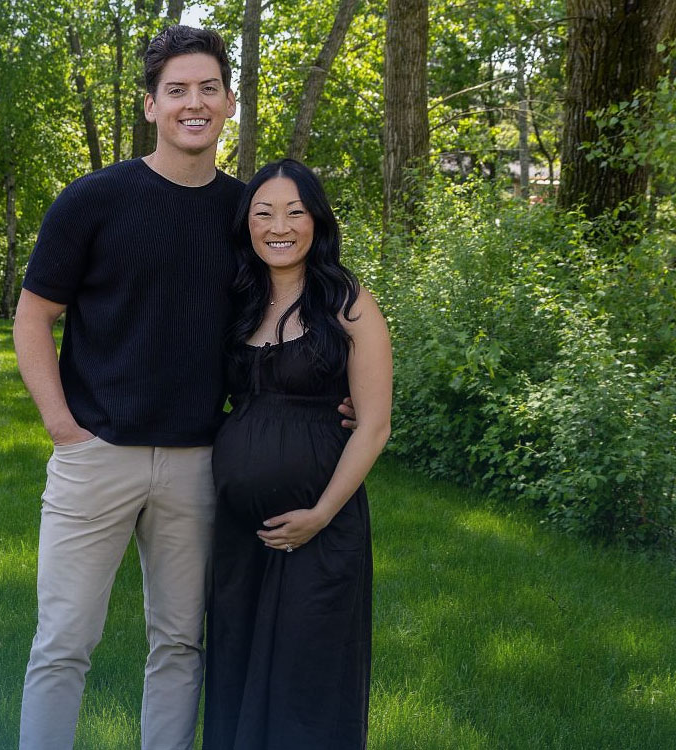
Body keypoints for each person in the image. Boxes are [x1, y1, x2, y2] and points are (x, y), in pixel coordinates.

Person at [13, 25, 245, 750]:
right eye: (177, 90)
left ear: (230, 103)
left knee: (179, 646)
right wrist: (62, 426)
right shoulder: (94, 200)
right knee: (63, 643)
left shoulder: (245, 213)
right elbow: (33, 315)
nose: (193, 103)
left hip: (198, 460)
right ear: (151, 105)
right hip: (97, 453)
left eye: (208, 88)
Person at [203, 159, 392, 749]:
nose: (278, 225)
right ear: (248, 224)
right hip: (240, 532)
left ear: (316, 220)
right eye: (263, 212)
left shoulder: (348, 303)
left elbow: (375, 425)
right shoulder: (235, 301)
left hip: (321, 529)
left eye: (294, 211)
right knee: (234, 667)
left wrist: (320, 514)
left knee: (307, 681)